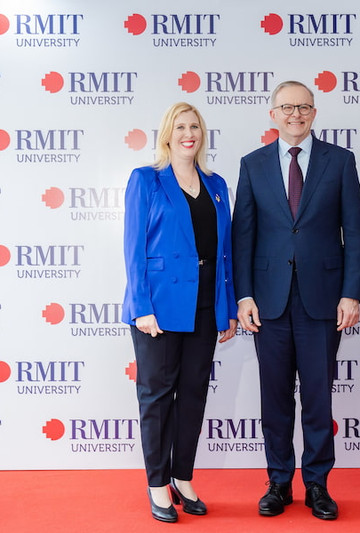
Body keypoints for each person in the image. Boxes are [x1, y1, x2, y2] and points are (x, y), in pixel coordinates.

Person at [232, 80, 360, 520]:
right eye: (287, 107)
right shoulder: (252, 164)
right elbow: (243, 236)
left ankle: (317, 484)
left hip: (323, 300)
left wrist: (351, 293)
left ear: (314, 113)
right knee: (274, 398)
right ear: (273, 114)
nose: (296, 114)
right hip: (268, 302)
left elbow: (355, 233)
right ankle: (278, 482)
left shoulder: (340, 161)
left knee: (317, 397)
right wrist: (244, 295)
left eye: (304, 107)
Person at [122, 102, 237, 523]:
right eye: (181, 127)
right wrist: (141, 307)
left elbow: (225, 252)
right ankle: (157, 484)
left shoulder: (217, 184)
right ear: (167, 134)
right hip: (159, 309)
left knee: (193, 395)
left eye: (195, 127)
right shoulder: (146, 179)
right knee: (156, 397)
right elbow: (133, 248)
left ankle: (182, 477)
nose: (189, 134)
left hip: (205, 306)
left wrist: (227, 308)